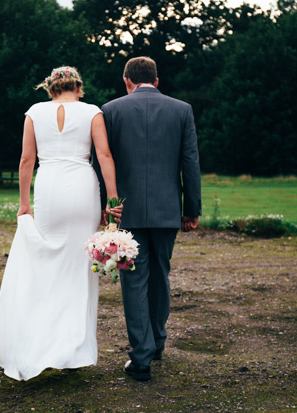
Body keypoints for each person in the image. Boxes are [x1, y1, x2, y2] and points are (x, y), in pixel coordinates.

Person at [0, 66, 121, 381]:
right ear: (79, 87)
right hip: (81, 188)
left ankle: (41, 344)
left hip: (48, 189)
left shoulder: (34, 112)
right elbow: (104, 156)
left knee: (48, 263)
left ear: (51, 88)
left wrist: (23, 205)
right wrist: (112, 201)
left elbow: (25, 160)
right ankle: (72, 352)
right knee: (78, 267)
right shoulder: (92, 112)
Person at [97, 56, 202, 381]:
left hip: (125, 212)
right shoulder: (182, 109)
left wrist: (105, 205)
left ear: (127, 81)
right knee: (160, 275)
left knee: (134, 280)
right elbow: (190, 162)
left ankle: (141, 357)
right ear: (156, 81)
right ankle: (156, 344)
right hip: (167, 211)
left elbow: (102, 162)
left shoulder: (110, 110)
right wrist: (191, 209)